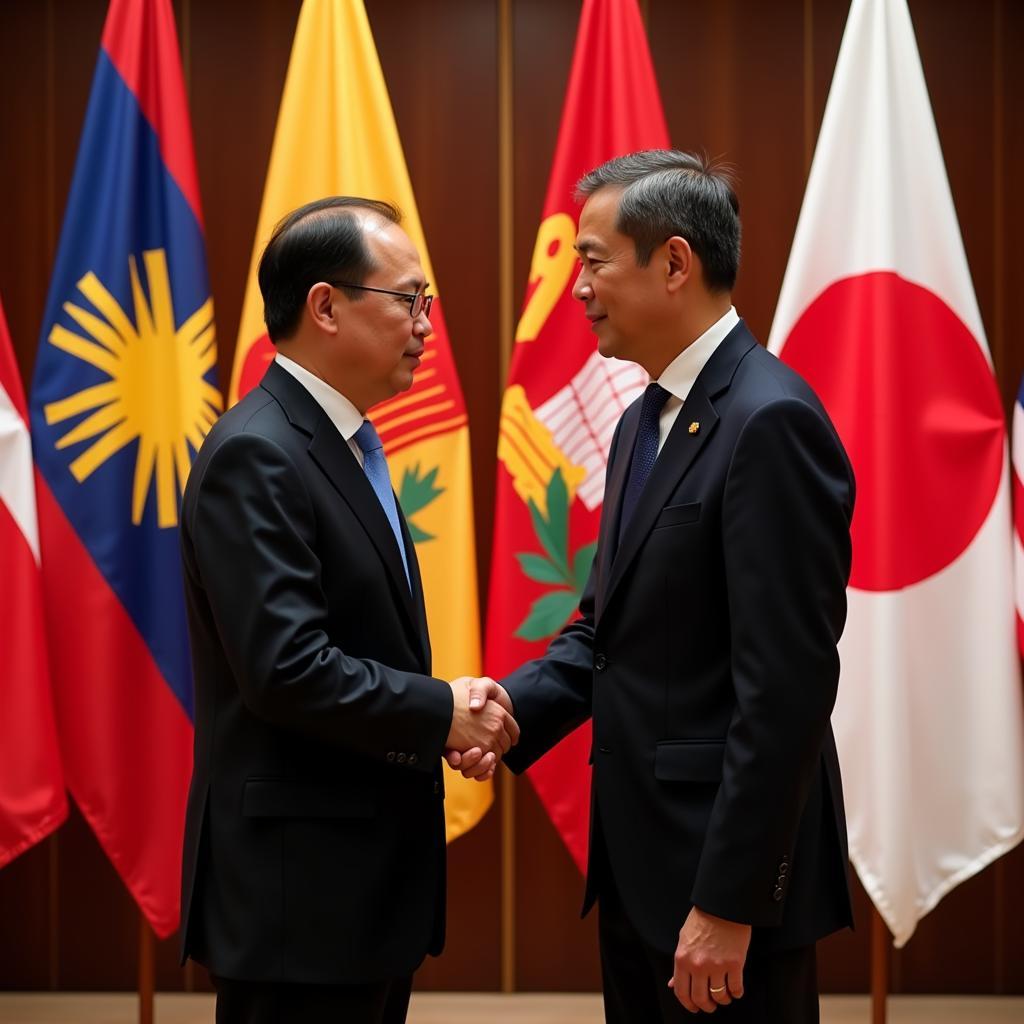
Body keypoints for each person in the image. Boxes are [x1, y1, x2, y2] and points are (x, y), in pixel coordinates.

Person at [453, 151, 855, 1022]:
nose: (578, 288)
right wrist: (505, 708)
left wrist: (729, 901)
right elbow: (609, 625)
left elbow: (784, 692)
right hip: (640, 867)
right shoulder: (643, 416)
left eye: (592, 260)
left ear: (674, 262)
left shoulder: (770, 420)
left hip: (721, 891)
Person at [178, 196, 518, 1024]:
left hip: (352, 890)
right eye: (409, 301)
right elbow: (287, 671)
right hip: (298, 897)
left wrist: (440, 717)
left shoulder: (339, 441)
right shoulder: (259, 453)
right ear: (326, 306)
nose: (426, 327)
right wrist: (441, 710)